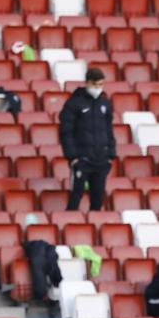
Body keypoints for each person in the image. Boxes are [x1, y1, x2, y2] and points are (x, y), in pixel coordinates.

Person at [59, 68, 115, 211]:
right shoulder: (74, 103)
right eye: (96, 85)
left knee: (98, 199)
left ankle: (95, 229)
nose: (98, 88)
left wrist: (110, 155)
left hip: (101, 160)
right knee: (75, 196)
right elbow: (66, 132)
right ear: (88, 83)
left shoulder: (105, 104)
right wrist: (72, 157)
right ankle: (70, 226)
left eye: (101, 85)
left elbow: (109, 130)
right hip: (82, 160)